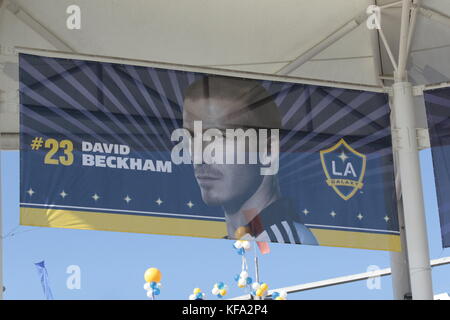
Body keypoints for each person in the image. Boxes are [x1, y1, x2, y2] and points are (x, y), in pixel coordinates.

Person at [182, 75, 318, 245]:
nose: (199, 155)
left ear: (268, 151)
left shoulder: (282, 244)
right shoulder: (259, 242)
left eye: (218, 137)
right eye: (191, 137)